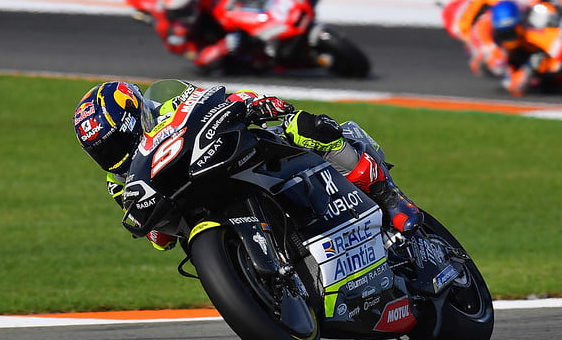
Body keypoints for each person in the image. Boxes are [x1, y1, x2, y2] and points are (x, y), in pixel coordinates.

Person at [73, 80, 422, 251]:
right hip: (203, 209)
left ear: (134, 117)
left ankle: (387, 196)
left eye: (115, 143)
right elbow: (160, 240)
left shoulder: (170, 107)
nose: (112, 156)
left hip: (240, 155)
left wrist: (255, 103)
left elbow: (219, 99)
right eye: (102, 152)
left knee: (305, 127)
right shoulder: (119, 183)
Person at [447, 0, 562, 97]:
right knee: (540, 74)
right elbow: (513, 85)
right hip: (500, 57)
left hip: (511, 21)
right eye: (509, 32)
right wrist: (528, 68)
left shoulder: (504, 3)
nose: (513, 33)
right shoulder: (491, 51)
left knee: (544, 5)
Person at [149, 0, 302, 70]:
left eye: (190, 4)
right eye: (184, 9)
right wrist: (222, 47)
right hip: (223, 40)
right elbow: (198, 58)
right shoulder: (178, 31)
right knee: (246, 63)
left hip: (239, 6)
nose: (189, 9)